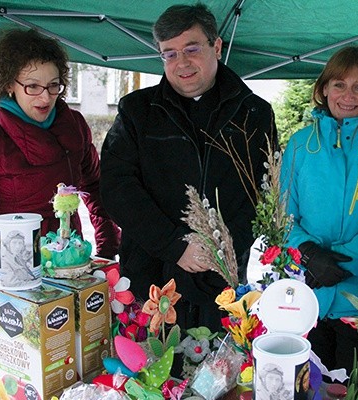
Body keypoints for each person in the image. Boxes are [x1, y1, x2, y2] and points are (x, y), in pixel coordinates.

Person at [100, 3, 277, 332]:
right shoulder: (137, 111)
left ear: (217, 46)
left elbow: (261, 193)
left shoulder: (255, 113)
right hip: (149, 277)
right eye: (169, 53)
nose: (181, 63)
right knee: (150, 375)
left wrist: (220, 250)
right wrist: (174, 245)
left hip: (220, 280)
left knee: (220, 378)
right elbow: (116, 187)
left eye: (192, 49)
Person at [0, 29, 120, 285]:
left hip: (69, 260)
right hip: (12, 270)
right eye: (32, 86)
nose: (45, 97)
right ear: (8, 84)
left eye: (53, 86)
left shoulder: (73, 124)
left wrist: (106, 247)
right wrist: (20, 261)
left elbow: (96, 187)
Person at [281, 46, 358, 374]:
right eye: (339, 84)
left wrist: (344, 260)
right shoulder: (300, 143)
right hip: (307, 299)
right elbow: (282, 216)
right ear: (324, 89)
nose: (347, 95)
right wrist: (308, 254)